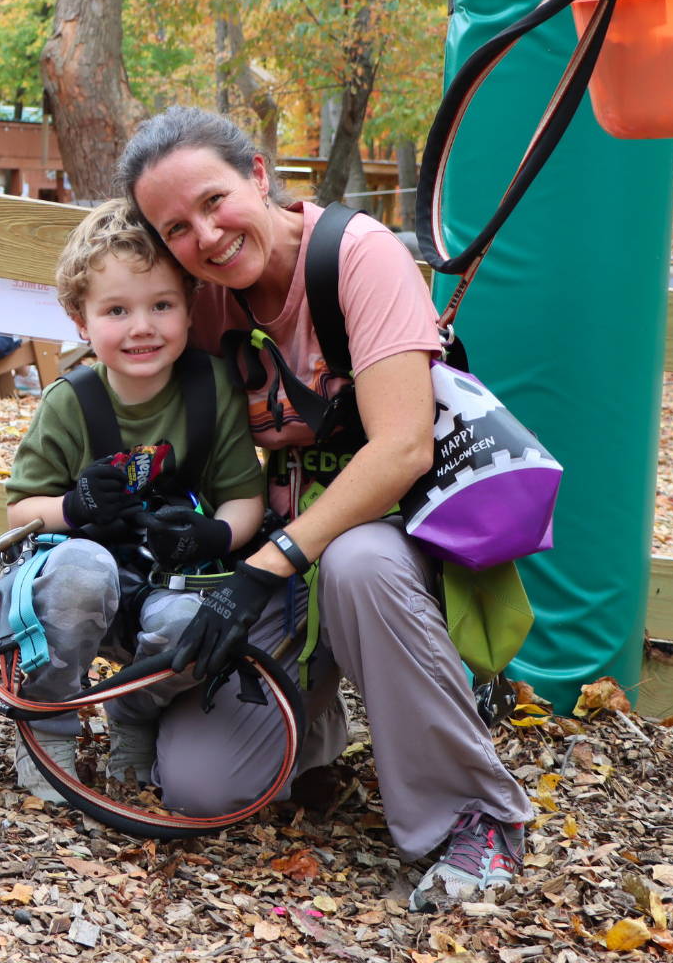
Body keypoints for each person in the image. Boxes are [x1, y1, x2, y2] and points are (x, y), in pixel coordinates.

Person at [120, 107, 531, 912]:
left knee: (357, 562)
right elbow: (148, 400)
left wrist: (263, 568)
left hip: (397, 545)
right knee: (201, 787)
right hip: (280, 544)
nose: (204, 236)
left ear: (260, 176)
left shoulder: (357, 257)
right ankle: (312, 733)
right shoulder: (201, 303)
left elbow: (403, 448)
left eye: (214, 202)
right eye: (175, 228)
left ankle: (475, 817)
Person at [2, 199, 270, 808]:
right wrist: (74, 507)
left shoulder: (212, 392)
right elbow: (19, 511)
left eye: (161, 305)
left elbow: (244, 500)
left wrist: (216, 537)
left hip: (171, 578)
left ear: (189, 305)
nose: (142, 326)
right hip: (83, 583)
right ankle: (46, 725)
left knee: (192, 623)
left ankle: (134, 711)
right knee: (81, 572)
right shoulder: (72, 402)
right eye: (116, 310)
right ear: (80, 319)